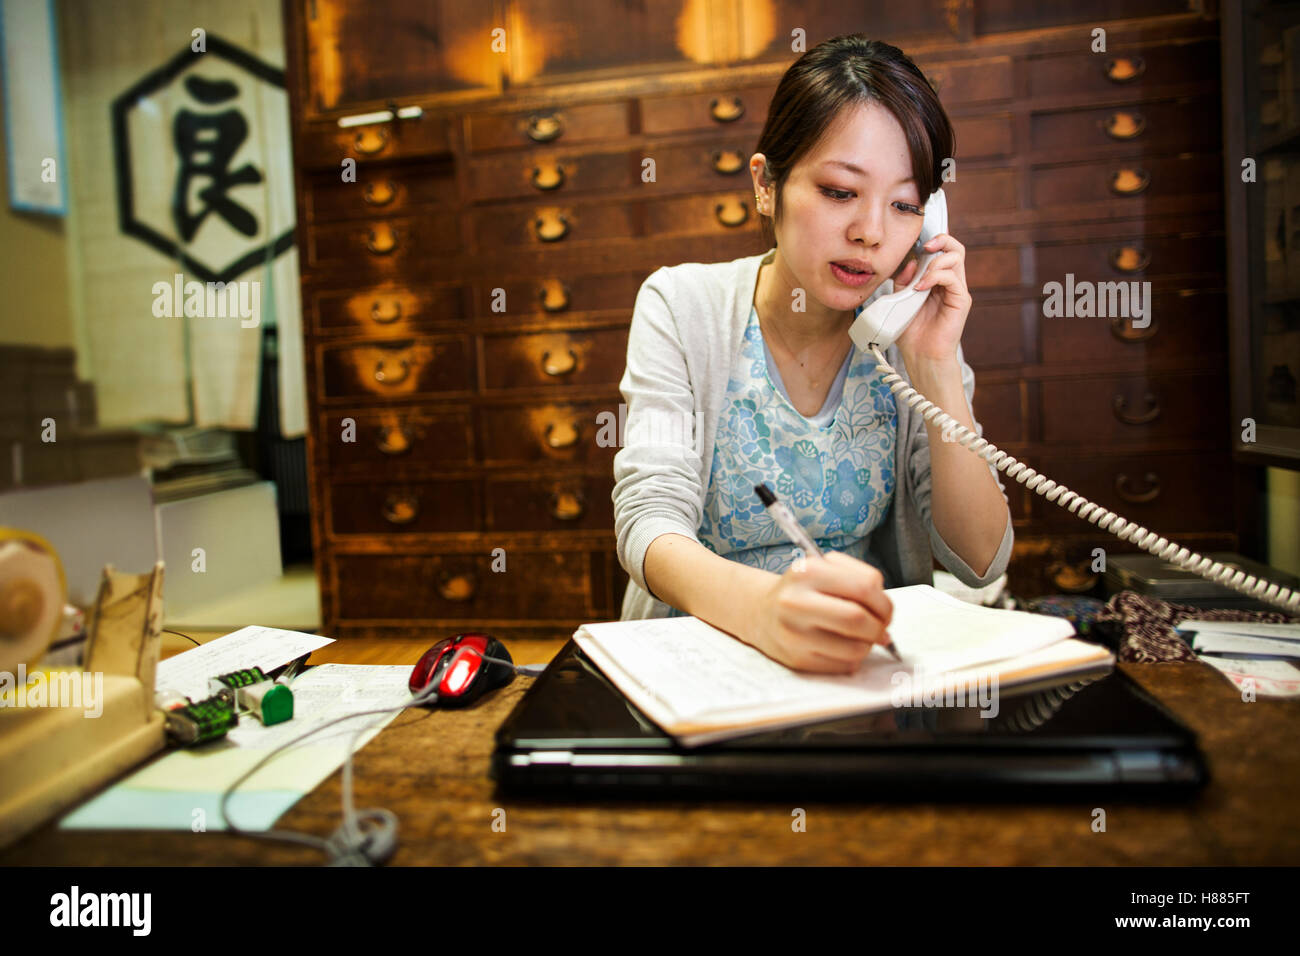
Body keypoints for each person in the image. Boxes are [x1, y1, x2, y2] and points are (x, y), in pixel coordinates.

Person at [612, 35, 1013, 674]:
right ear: (766, 185)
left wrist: (934, 365)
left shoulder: (909, 328)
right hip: (701, 660)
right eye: (838, 191)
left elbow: (980, 558)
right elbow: (646, 523)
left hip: (858, 667)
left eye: (905, 204)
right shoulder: (681, 304)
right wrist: (766, 610)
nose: (872, 232)